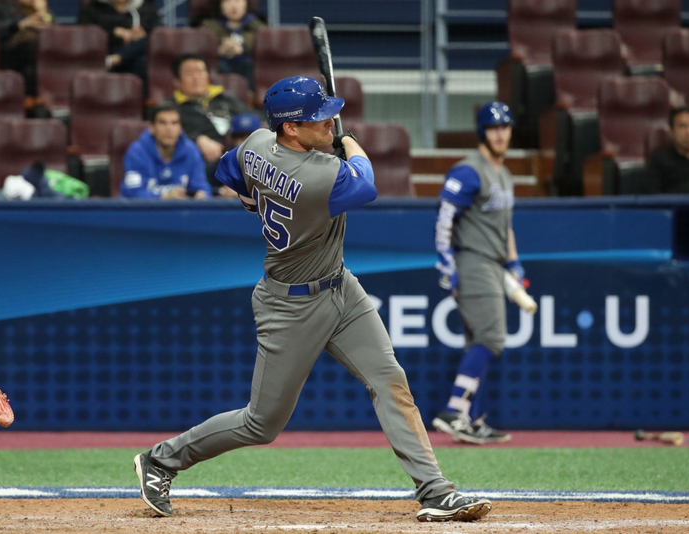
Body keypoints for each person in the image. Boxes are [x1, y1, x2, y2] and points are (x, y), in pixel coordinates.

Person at [132, 76, 492, 523]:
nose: (331, 123)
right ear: (290, 130)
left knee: (390, 381)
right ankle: (161, 460)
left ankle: (434, 490)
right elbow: (366, 183)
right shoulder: (315, 174)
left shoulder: (257, 143)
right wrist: (351, 142)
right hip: (290, 306)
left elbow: (225, 170)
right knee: (261, 423)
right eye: (318, 119)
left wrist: (254, 198)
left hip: (341, 288)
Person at [432, 102, 521, 445]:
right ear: (483, 131)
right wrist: (446, 263)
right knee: (491, 338)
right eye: (494, 127)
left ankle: (466, 419)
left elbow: (505, 226)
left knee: (478, 341)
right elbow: (444, 218)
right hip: (472, 260)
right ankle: (454, 412)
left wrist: (514, 262)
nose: (501, 133)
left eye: (506, 127)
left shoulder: (505, 173)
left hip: (494, 263)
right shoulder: (468, 171)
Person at [171, 53, 254, 189]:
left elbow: (255, 121)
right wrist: (196, 139)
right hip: (201, 168)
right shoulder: (171, 108)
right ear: (177, 81)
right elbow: (165, 136)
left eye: (201, 72)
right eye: (189, 74)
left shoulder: (226, 100)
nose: (196, 78)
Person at [121, 102, 212, 199]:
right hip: (146, 213)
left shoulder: (191, 151)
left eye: (174, 123)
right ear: (152, 128)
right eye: (162, 123)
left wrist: (202, 195)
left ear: (180, 128)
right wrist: (164, 197)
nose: (169, 129)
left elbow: (202, 186)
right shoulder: (137, 152)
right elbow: (132, 194)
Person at [0, 0, 52, 96]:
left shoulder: (36, 9)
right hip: (7, 56)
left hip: (35, 57)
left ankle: (35, 100)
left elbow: (54, 30)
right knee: (28, 48)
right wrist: (20, 25)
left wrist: (42, 12)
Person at [77, 0, 159, 83]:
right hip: (105, 53)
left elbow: (155, 36)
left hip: (134, 55)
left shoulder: (145, 8)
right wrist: (114, 32)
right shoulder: (92, 9)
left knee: (144, 51)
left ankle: (118, 58)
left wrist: (139, 34)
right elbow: (83, 35)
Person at [201, 0, 266, 89]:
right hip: (220, 63)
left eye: (238, 1)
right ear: (220, 5)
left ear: (246, 4)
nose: (233, 6)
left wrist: (243, 48)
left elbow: (264, 47)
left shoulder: (257, 26)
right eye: (228, 1)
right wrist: (219, 50)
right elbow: (203, 49)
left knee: (248, 64)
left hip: (248, 65)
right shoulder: (208, 26)